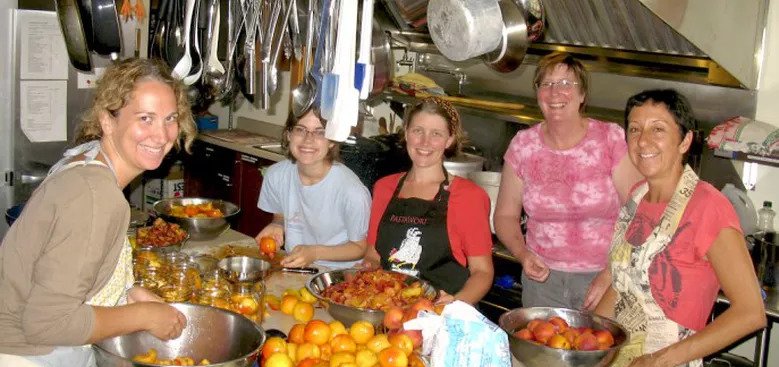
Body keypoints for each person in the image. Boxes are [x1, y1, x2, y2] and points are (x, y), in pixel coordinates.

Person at [0, 58, 197, 367]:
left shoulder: (88, 161)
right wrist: (143, 315)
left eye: (170, 118)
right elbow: (48, 322)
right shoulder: (97, 197)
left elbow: (67, 264)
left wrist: (129, 290)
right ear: (108, 121)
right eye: (145, 118)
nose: (162, 134)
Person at [593, 89, 765, 367]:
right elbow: (623, 283)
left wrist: (657, 363)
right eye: (634, 129)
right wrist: (588, 343)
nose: (643, 141)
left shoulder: (708, 207)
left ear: (685, 141)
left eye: (658, 129)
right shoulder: (636, 196)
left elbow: (751, 313)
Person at [494, 52, 642, 310]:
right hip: (541, 282)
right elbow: (505, 216)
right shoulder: (523, 146)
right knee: (541, 349)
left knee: (600, 349)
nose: (555, 93)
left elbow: (640, 211)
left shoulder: (610, 139)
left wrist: (610, 273)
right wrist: (523, 254)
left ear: (582, 94)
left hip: (604, 279)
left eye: (566, 84)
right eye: (546, 84)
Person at [363, 97, 493, 304]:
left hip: (442, 314)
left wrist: (455, 304)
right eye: (418, 131)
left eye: (436, 134)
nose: (425, 142)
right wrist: (366, 275)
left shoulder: (469, 196)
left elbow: (482, 272)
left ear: (449, 140)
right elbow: (372, 255)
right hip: (389, 309)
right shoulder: (384, 188)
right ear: (406, 132)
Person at [255, 108, 371, 269]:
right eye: (300, 129)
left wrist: (314, 253)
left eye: (320, 132)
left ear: (332, 140)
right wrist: (278, 225)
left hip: (338, 276)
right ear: (289, 134)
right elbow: (280, 215)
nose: (308, 139)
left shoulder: (352, 192)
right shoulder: (276, 175)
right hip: (294, 266)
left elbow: (360, 248)